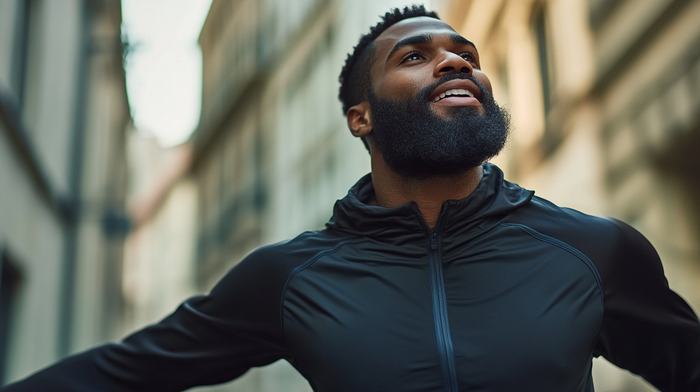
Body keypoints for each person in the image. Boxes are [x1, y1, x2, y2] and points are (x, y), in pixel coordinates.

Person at [2, 5, 699, 392]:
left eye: (464, 54)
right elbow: (128, 373)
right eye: (414, 56)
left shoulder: (593, 251)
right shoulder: (289, 278)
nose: (456, 60)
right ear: (360, 117)